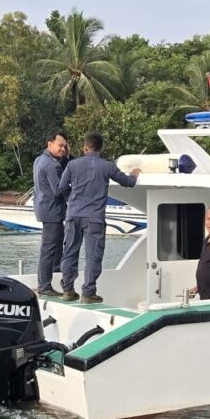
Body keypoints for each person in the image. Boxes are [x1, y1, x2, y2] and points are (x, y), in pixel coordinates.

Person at [57, 132, 140, 303]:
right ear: (101, 148)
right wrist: (135, 174)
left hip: (73, 215)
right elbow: (128, 182)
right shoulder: (107, 166)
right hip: (94, 218)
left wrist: (72, 200)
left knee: (70, 253)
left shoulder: (72, 165)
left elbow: (62, 187)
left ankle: (67, 290)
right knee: (93, 256)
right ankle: (88, 292)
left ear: (85, 147)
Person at [32, 129, 70, 297]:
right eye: (60, 145)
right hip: (52, 211)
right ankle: (44, 285)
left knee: (55, 244)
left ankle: (54, 273)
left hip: (43, 208)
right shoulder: (52, 164)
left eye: (65, 146)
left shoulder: (39, 160)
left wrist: (65, 158)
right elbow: (58, 189)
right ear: (50, 144)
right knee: (48, 249)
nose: (63, 148)